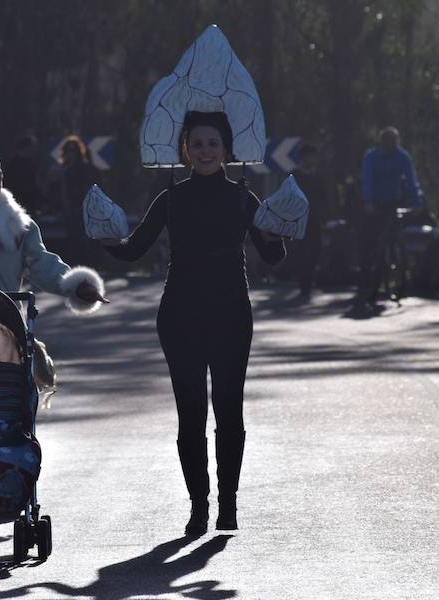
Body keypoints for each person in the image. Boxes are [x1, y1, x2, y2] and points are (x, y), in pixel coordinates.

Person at [99, 111, 286, 535]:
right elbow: (133, 249)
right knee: (190, 416)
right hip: (180, 315)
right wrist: (108, 240)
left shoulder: (245, 199)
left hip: (232, 315)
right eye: (197, 144)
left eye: (213, 144)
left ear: (226, 151)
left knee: (229, 411)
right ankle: (198, 506)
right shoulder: (170, 198)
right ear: (186, 150)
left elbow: (271, 258)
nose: (205, 151)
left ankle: (229, 505)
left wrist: (278, 237)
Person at [0, 140, 107, 313]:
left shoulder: (21, 226)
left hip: (9, 324)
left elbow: (42, 264)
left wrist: (78, 286)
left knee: (28, 341)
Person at [357, 126, 423, 308]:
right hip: (374, 205)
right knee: (371, 242)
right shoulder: (371, 157)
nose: (392, 145)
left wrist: (417, 202)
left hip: (393, 203)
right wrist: (368, 202)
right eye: (389, 142)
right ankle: (366, 278)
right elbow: (367, 180)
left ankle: (400, 270)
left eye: (395, 142)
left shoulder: (403, 157)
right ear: (382, 142)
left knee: (395, 238)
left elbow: (411, 180)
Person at [49, 135, 104, 266]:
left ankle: (84, 266)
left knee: (82, 241)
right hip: (67, 210)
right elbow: (55, 191)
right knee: (71, 241)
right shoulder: (61, 169)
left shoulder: (84, 168)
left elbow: (89, 188)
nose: (70, 153)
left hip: (80, 209)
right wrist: (55, 208)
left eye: (73, 150)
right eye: (67, 150)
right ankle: (74, 267)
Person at [289, 144, 327, 297]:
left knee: (316, 248)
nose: (314, 159)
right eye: (312, 156)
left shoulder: (317, 175)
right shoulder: (294, 175)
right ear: (305, 157)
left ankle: (310, 276)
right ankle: (304, 281)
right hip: (299, 217)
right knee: (302, 249)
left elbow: (322, 196)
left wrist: (325, 214)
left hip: (315, 217)